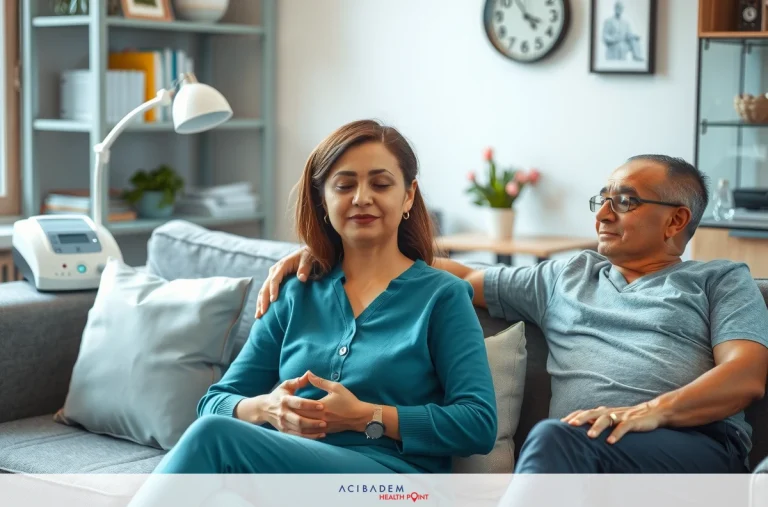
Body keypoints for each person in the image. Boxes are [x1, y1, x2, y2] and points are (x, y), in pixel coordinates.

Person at [258, 154, 768, 475]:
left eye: (625, 202)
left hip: (691, 448)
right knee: (560, 440)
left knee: (554, 437)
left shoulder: (719, 280)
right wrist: (332, 251)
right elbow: (448, 275)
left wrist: (645, 413)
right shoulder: (565, 276)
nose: (603, 213)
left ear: (676, 219)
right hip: (579, 453)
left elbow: (746, 374)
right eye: (603, 198)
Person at [150, 119, 497, 475]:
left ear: (408, 195)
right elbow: (214, 402)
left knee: (214, 438)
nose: (362, 198)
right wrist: (266, 408)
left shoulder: (443, 297)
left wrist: (366, 416)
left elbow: (478, 423)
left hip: (393, 488)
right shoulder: (295, 292)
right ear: (322, 199)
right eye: (345, 185)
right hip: (288, 479)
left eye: (380, 184)